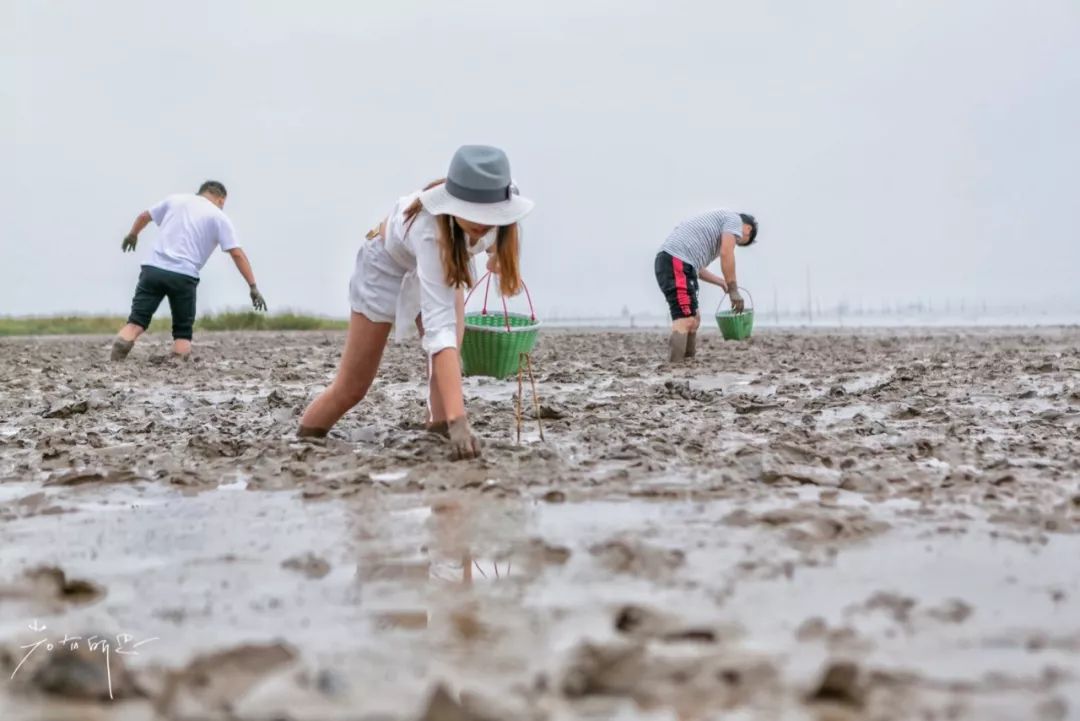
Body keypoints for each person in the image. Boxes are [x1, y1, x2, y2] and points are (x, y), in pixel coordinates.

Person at [297, 145, 533, 460]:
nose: (482, 222)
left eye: (490, 215)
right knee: (352, 387)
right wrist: (461, 422)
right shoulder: (429, 231)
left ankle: (438, 437)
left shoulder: (502, 198)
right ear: (452, 204)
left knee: (447, 368)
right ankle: (302, 441)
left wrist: (497, 258)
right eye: (472, 213)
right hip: (385, 266)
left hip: (452, 260)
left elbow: (502, 239)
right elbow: (440, 334)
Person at [110, 181, 268, 361]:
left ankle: (115, 362)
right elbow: (237, 254)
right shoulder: (219, 217)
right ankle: (178, 360)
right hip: (183, 276)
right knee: (182, 331)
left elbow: (144, 216)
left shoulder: (175, 200)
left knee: (136, 322)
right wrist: (253, 286)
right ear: (221, 200)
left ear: (200, 193)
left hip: (152, 269)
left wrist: (132, 235)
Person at [654, 209, 758, 361]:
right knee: (685, 319)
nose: (735, 241)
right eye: (739, 240)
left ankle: (688, 362)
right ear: (748, 229)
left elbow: (697, 269)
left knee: (694, 320)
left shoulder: (716, 228)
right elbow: (726, 253)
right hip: (674, 260)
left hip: (681, 263)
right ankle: (674, 367)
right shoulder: (734, 220)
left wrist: (721, 281)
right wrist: (734, 289)